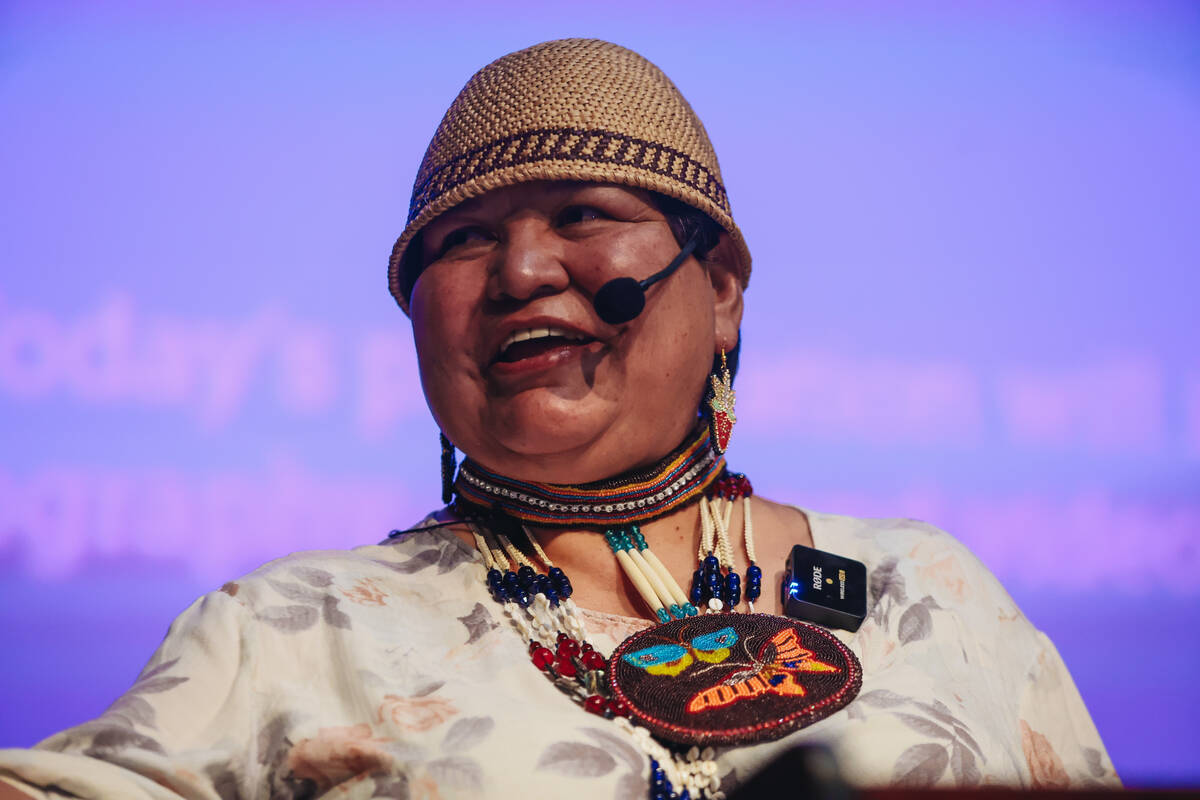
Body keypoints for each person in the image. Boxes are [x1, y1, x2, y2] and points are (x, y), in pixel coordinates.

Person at [0, 39, 1118, 799]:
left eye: (583, 212)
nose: (523, 269)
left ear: (718, 286)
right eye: (462, 242)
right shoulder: (289, 629)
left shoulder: (929, 591)